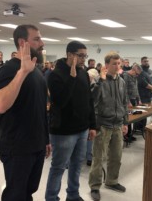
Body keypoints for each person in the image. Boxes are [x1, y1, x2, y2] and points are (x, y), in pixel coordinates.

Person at [0, 24, 51, 201]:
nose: (42, 43)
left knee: (28, 191)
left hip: (36, 143)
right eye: (37, 39)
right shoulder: (9, 69)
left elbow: (40, 109)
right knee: (15, 194)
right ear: (22, 42)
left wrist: (45, 139)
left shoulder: (37, 70)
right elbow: (0, 105)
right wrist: (22, 72)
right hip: (17, 147)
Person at [45, 41, 96, 201]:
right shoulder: (55, 75)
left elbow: (89, 101)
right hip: (63, 131)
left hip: (82, 129)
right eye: (80, 56)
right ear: (70, 55)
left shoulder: (84, 73)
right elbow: (60, 102)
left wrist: (92, 125)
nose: (83, 59)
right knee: (59, 167)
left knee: (76, 166)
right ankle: (52, 198)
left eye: (85, 56)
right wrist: (72, 77)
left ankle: (73, 195)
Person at [89, 51, 128, 201]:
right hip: (103, 125)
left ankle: (112, 181)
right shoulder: (99, 81)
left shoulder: (122, 81)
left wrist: (125, 122)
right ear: (106, 65)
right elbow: (92, 101)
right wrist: (101, 82)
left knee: (116, 156)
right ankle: (95, 186)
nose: (117, 66)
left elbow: (124, 103)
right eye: (114, 64)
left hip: (118, 124)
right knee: (99, 158)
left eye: (119, 63)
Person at [136, 56, 152, 132]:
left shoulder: (150, 71)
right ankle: (137, 129)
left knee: (145, 113)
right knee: (140, 113)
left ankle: (143, 128)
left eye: (147, 61)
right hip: (142, 96)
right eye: (145, 61)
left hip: (149, 96)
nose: (147, 62)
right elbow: (143, 83)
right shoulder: (139, 71)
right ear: (141, 62)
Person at [122, 63, 142, 143]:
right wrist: (128, 102)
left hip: (133, 99)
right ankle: (126, 136)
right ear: (133, 70)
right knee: (127, 118)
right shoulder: (125, 75)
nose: (137, 75)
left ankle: (130, 134)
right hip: (128, 100)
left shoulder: (134, 77)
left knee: (132, 118)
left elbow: (136, 89)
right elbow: (124, 90)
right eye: (136, 73)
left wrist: (139, 99)